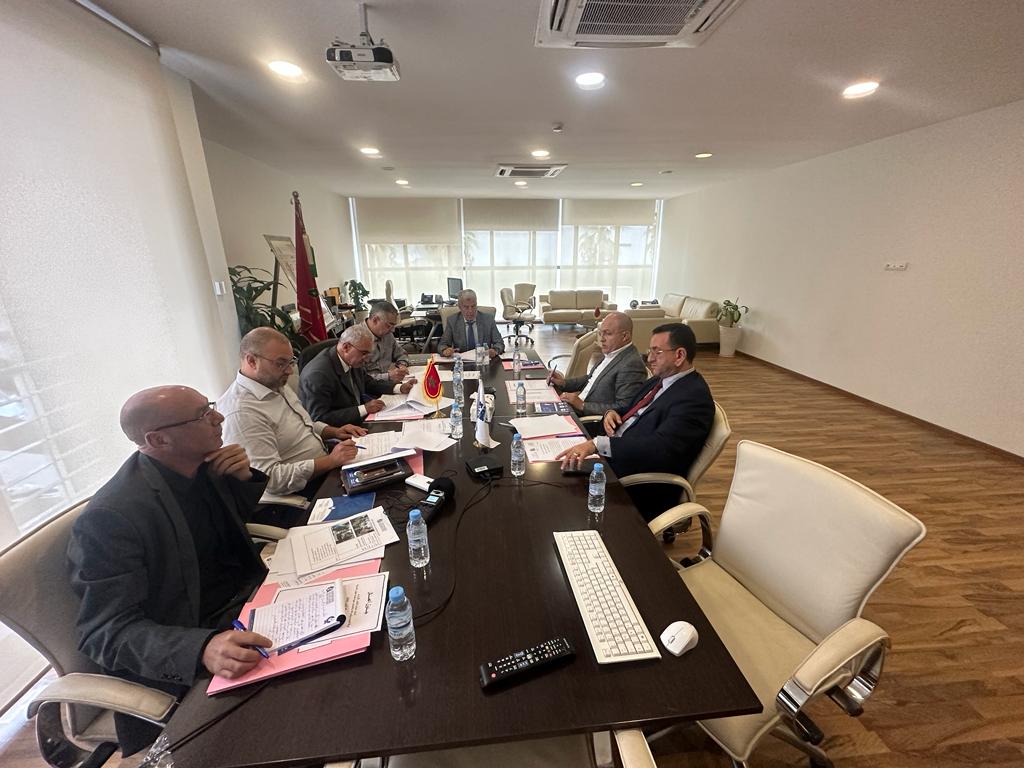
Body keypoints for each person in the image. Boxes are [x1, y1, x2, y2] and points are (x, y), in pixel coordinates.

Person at [67, 386, 274, 754]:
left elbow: (224, 538)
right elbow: (105, 632)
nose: (219, 417)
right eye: (203, 415)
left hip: (252, 605)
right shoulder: (110, 516)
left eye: (210, 407)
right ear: (158, 439)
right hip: (194, 643)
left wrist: (242, 478)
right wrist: (202, 648)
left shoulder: (202, 467)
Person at [557, 323, 714, 522]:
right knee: (556, 464)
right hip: (614, 455)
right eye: (650, 350)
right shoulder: (660, 380)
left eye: (657, 352)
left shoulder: (694, 399)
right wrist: (611, 413)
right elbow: (629, 407)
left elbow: (661, 449)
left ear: (679, 355)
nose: (650, 358)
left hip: (637, 482)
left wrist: (597, 444)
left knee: (560, 496)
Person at [219, 328, 364, 495]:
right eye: (281, 363)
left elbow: (301, 426)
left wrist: (333, 431)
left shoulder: (274, 383)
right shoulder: (242, 412)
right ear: (252, 361)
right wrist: (330, 461)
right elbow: (270, 479)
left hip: (324, 468)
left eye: (290, 362)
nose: (289, 370)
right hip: (301, 491)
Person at [299, 324, 416, 426]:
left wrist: (399, 388)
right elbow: (319, 418)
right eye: (364, 353)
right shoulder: (318, 375)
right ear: (346, 347)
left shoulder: (351, 359)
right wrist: (364, 409)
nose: (367, 359)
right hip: (341, 430)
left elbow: (367, 382)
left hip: (359, 418)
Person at [549, 311, 647, 416]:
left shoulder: (632, 364)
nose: (602, 339)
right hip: (575, 407)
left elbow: (625, 407)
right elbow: (590, 379)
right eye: (600, 333)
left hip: (587, 419)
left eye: (608, 333)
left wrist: (582, 405)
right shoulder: (613, 352)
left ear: (625, 336)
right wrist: (563, 383)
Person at [439, 289, 505, 358]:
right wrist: (445, 350)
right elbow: (442, 345)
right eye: (466, 307)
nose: (470, 311)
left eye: (473, 306)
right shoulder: (452, 321)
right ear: (460, 307)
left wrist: (494, 351)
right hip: (462, 361)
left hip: (483, 360)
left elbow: (499, 343)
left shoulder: (488, 319)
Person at [364, 300, 411, 385]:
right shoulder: (357, 338)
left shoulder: (387, 334)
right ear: (375, 320)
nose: (393, 330)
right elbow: (361, 379)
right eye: (389, 325)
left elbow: (401, 354)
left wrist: (402, 365)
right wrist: (388, 376)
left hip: (389, 382)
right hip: (370, 388)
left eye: (394, 326)